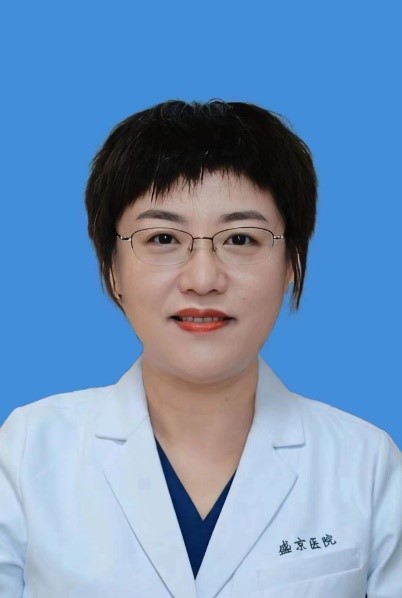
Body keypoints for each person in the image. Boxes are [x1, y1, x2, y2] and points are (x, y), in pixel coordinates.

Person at [0, 100, 401, 597]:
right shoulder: (27, 452)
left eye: (241, 239)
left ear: (292, 264)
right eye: (163, 238)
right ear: (112, 269)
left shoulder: (367, 465)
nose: (203, 278)